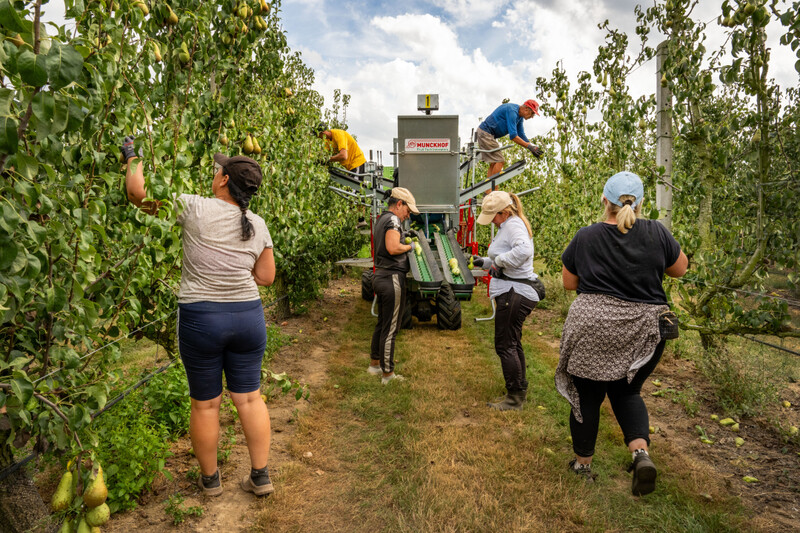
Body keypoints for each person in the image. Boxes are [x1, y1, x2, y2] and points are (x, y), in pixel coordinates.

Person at [121, 136, 277, 498]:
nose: (215, 173)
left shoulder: (193, 207)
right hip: (247, 318)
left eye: (218, 170)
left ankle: (211, 482)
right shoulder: (257, 223)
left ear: (224, 180)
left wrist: (132, 155)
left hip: (202, 318)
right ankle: (261, 476)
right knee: (251, 398)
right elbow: (267, 277)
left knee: (205, 404)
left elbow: (137, 194)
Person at [556, 171, 688, 496]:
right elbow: (681, 269)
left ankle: (582, 466)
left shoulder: (586, 236)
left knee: (587, 396)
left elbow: (569, 283)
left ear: (605, 201)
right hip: (643, 329)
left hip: (592, 326)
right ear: (641, 202)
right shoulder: (657, 231)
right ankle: (640, 454)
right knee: (627, 393)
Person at [472, 190, 541, 411]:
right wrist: (484, 262)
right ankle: (519, 388)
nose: (491, 220)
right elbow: (503, 255)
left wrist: (499, 261)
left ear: (503, 211)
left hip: (515, 291)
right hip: (516, 289)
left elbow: (523, 250)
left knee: (504, 344)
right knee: (513, 341)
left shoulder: (513, 225)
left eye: (493, 215)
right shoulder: (509, 224)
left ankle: (514, 398)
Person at [367, 187, 419, 384]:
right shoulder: (393, 220)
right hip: (391, 278)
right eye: (407, 210)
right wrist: (410, 246)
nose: (407, 215)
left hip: (380, 275)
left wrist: (403, 236)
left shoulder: (382, 219)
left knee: (382, 323)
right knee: (391, 328)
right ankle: (388, 374)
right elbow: (392, 247)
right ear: (399, 204)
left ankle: (374, 364)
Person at [477, 100, 543, 180]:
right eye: (532, 113)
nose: (532, 117)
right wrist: (529, 147)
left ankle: (488, 191)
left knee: (494, 162)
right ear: (526, 109)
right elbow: (513, 136)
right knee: (500, 161)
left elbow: (521, 135)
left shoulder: (519, 117)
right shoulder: (512, 111)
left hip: (487, 134)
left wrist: (532, 147)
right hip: (485, 133)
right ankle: (494, 190)